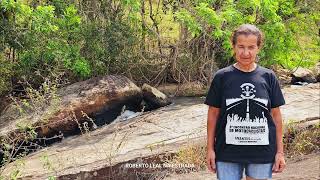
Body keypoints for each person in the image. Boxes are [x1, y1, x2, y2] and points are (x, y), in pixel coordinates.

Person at [205, 24, 286, 180]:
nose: (246, 53)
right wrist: (210, 149)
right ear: (234, 46)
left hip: (262, 153)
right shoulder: (222, 77)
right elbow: (213, 115)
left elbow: (276, 116)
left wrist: (280, 152)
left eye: (251, 47)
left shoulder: (268, 77)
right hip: (227, 152)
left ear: (258, 48)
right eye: (241, 46)